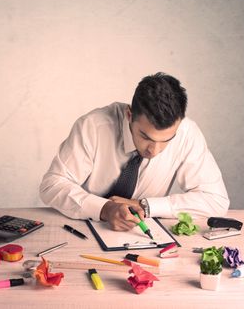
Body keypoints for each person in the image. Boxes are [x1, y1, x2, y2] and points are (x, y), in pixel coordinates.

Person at [40, 72, 229, 231]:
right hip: (86, 229)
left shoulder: (187, 133)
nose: (154, 150)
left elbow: (216, 200)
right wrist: (105, 209)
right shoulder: (93, 126)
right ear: (130, 115)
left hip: (141, 236)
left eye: (166, 140)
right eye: (146, 137)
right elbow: (52, 185)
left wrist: (145, 206)